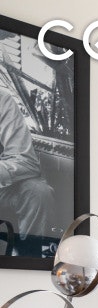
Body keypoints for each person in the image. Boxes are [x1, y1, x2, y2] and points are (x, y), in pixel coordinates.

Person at [0, 89, 54, 257]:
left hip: (3, 186)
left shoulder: (2, 100)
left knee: (38, 192)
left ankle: (27, 260)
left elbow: (25, 160)